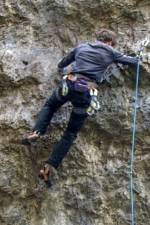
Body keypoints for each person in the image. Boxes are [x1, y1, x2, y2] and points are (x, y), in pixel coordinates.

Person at [24, 30, 141, 187]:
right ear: (110, 42)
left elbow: (62, 63)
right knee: (70, 133)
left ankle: (36, 132)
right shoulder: (111, 51)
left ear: (98, 39)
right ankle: (47, 169)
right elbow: (133, 62)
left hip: (69, 84)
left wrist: (60, 68)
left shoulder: (82, 47)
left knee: (51, 105)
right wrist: (138, 57)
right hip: (86, 92)